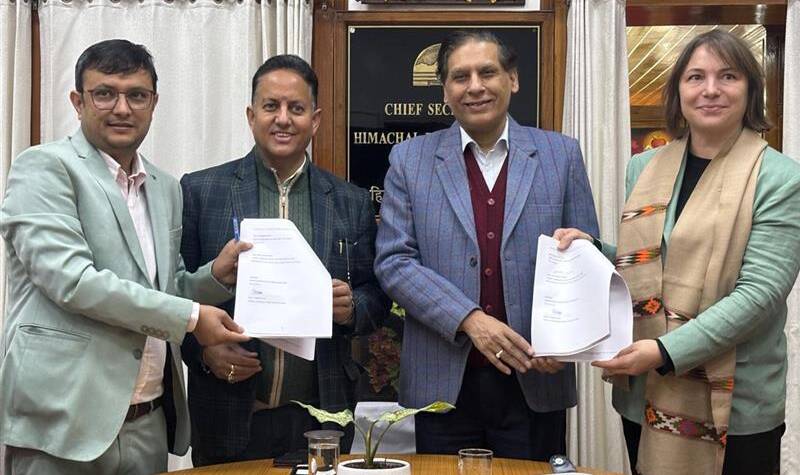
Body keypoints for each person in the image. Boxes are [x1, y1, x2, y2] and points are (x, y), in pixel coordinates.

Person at [0, 39, 250, 475]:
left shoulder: (165, 186)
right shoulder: (44, 168)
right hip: (63, 420)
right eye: (104, 93)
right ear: (78, 102)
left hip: (147, 420)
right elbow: (73, 282)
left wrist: (214, 277)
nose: (122, 108)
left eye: (136, 95)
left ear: (154, 103)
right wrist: (193, 318)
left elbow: (163, 288)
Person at [556, 29, 800, 475]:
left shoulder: (780, 179)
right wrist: (594, 251)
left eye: (728, 76)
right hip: (645, 394)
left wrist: (665, 351)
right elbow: (650, 264)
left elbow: (759, 295)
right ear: (679, 91)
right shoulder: (643, 167)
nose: (711, 89)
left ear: (751, 90)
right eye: (696, 77)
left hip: (735, 404)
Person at [374, 30, 599, 460]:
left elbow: (585, 255)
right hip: (442, 386)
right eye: (460, 77)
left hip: (535, 376)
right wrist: (470, 320)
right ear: (445, 91)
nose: (474, 86)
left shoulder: (561, 155)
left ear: (512, 79)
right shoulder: (409, 160)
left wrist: (565, 340)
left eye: (487, 72)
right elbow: (394, 262)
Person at [180, 54, 389, 466]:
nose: (283, 119)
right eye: (270, 106)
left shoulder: (349, 201)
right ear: (251, 115)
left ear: (315, 120)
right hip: (227, 412)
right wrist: (202, 354)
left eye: (296, 108)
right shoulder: (202, 191)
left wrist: (352, 307)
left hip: (321, 415)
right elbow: (172, 293)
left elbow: (377, 296)